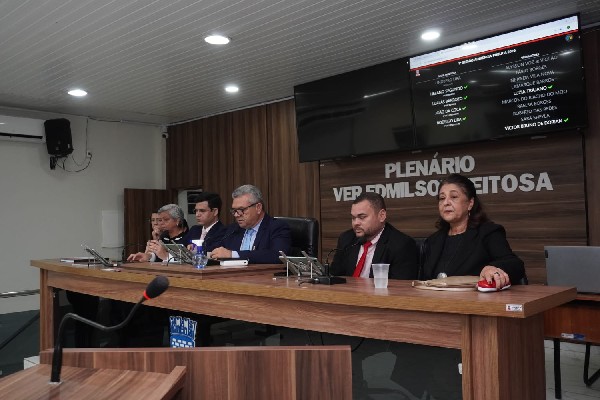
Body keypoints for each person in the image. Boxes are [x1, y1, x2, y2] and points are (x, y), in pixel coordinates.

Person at [421, 173, 525, 287]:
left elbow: (515, 265)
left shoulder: (488, 233)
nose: (446, 203)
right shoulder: (433, 241)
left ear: (470, 203)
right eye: (442, 198)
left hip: (474, 297)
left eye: (454, 197)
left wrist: (493, 268)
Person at [330, 192, 418, 279]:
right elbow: (335, 277)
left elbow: (401, 285)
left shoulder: (401, 245)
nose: (356, 223)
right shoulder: (346, 239)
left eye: (362, 217)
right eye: (353, 218)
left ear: (381, 216)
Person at [210, 184, 291, 264]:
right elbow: (216, 251)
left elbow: (277, 256)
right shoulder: (233, 230)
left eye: (241, 209)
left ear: (258, 207)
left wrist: (233, 254)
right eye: (234, 210)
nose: (236, 215)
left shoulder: (277, 227)